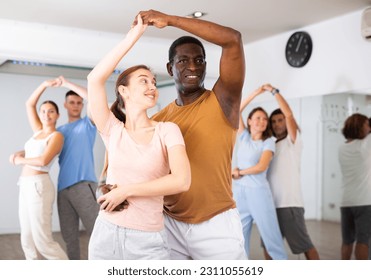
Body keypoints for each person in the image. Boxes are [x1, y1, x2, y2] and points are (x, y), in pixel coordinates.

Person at [138, 10, 247, 259]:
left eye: (199, 60)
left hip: (216, 225)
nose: (192, 66)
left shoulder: (223, 100)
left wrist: (171, 20)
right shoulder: (158, 120)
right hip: (170, 224)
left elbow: (233, 39)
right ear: (170, 67)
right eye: (183, 60)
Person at [86, 14, 191, 260]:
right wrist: (131, 38)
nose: (152, 86)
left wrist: (126, 191)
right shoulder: (113, 131)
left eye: (154, 82)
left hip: (147, 242)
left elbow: (182, 181)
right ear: (124, 91)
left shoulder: (167, 131)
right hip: (106, 235)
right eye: (144, 81)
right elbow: (94, 79)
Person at [9, 78, 68, 260]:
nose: (46, 114)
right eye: (43, 111)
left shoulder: (56, 136)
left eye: (51, 111)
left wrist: (20, 160)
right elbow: (29, 104)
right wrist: (44, 85)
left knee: (43, 241)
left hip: (39, 187)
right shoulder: (37, 132)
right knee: (26, 237)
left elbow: (43, 159)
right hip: (25, 185)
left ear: (57, 115)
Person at [264, 84, 320, 260]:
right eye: (274, 121)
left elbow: (289, 114)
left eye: (280, 120)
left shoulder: (293, 141)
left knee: (305, 246)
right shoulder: (269, 145)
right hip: (270, 205)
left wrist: (274, 92)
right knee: (269, 248)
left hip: (290, 205)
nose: (278, 124)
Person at [231, 86, 287, 260]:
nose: (262, 121)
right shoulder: (244, 137)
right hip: (240, 193)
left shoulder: (269, 141)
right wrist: (257, 92)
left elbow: (261, 167)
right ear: (248, 121)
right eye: (257, 118)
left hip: (258, 193)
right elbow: (236, 109)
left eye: (264, 119)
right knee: (239, 238)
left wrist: (240, 171)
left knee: (272, 238)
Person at [56, 76, 100, 260]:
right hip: (62, 189)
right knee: (69, 237)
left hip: (83, 186)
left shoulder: (87, 124)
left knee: (97, 234)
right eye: (71, 102)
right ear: (65, 105)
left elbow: (94, 98)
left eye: (78, 103)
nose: (75, 105)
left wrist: (66, 83)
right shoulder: (58, 131)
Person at [338, 113, 371, 260]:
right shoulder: (365, 145)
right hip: (364, 202)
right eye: (366, 125)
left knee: (347, 241)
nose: (369, 128)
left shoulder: (342, 148)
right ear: (360, 127)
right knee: (363, 241)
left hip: (346, 202)